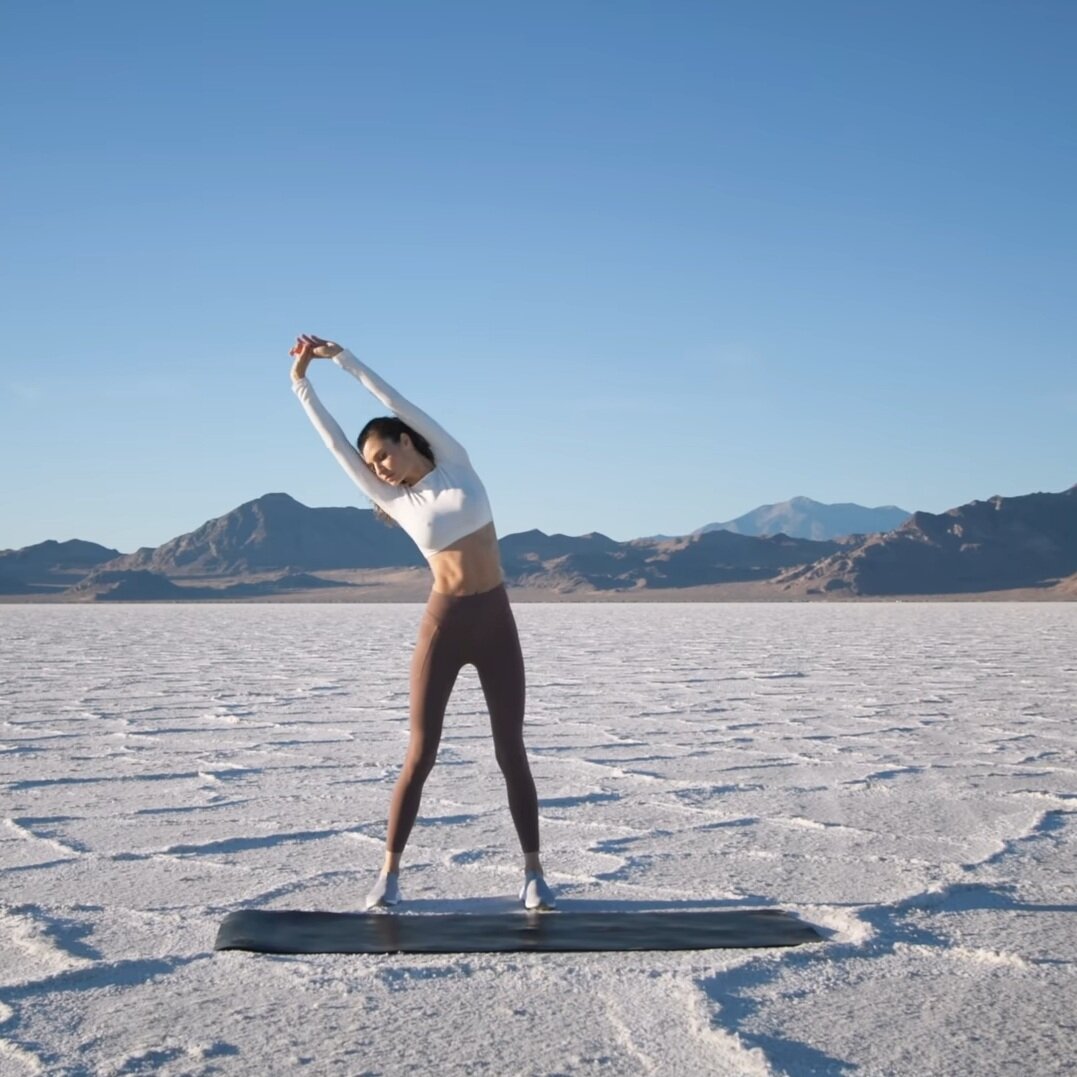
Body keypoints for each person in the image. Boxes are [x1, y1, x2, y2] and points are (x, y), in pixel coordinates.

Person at [289, 332, 556, 911]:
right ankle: (388, 874)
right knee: (422, 752)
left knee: (511, 749)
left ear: (406, 439)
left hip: (496, 620)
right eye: (371, 466)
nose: (379, 470)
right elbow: (335, 445)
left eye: (383, 456)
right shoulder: (394, 501)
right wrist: (301, 384)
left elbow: (393, 398)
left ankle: (534, 874)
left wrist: (343, 361)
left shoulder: (456, 462)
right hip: (446, 622)